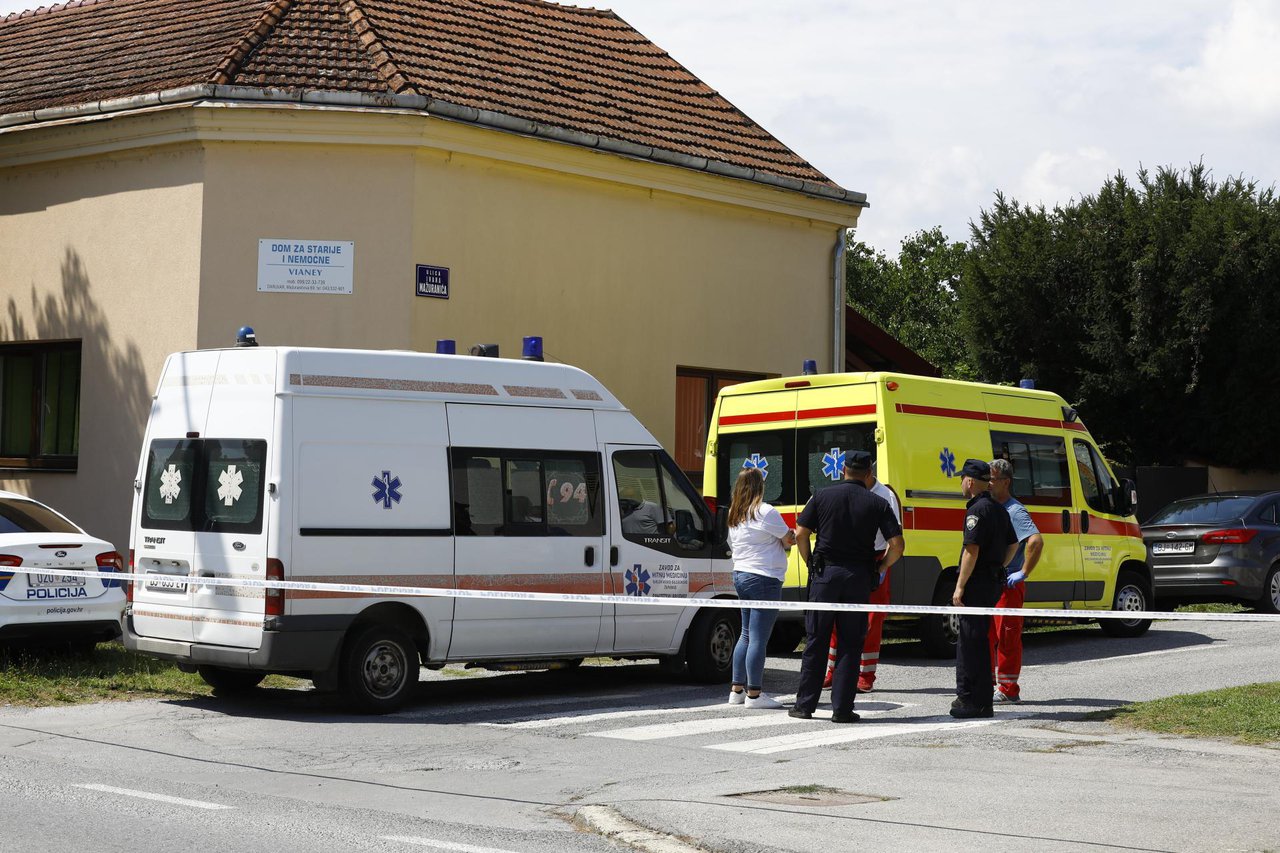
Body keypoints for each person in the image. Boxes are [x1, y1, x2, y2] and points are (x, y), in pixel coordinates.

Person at [791, 450, 904, 723]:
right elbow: (898, 546)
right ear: (868, 474)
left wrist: (810, 563)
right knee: (851, 644)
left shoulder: (821, 495)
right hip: (858, 578)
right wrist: (879, 567)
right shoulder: (877, 502)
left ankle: (805, 706)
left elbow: (800, 533)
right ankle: (842, 709)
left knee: (816, 641)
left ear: (842, 471)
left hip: (825, 576)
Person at [822, 461, 901, 693]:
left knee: (872, 618)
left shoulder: (885, 495)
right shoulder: (844, 490)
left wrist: (883, 567)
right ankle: (833, 669)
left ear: (868, 474)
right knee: (838, 614)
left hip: (876, 558)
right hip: (847, 557)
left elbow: (895, 537)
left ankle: (866, 674)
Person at [950, 458, 1019, 719]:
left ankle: (973, 700)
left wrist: (960, 586)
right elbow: (1013, 545)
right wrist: (997, 565)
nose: (961, 484)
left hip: (977, 583)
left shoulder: (976, 511)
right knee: (978, 640)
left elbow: (971, 550)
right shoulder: (999, 509)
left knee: (971, 643)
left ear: (969, 481)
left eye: (962, 479)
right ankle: (977, 699)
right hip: (991, 581)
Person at [725, 467, 797, 709]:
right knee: (758, 638)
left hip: (741, 574)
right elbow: (789, 538)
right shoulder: (765, 511)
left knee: (745, 634)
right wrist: (792, 536)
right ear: (760, 486)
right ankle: (754, 694)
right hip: (764, 577)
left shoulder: (735, 514)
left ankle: (736, 690)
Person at [987, 457, 1043, 703]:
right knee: (988, 635)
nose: (988, 483)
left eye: (992, 479)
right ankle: (987, 685)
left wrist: (1023, 572)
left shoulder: (1014, 510)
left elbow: (1036, 541)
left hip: (1008, 583)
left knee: (1007, 636)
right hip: (990, 582)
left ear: (1006, 482)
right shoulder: (990, 506)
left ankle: (1009, 689)